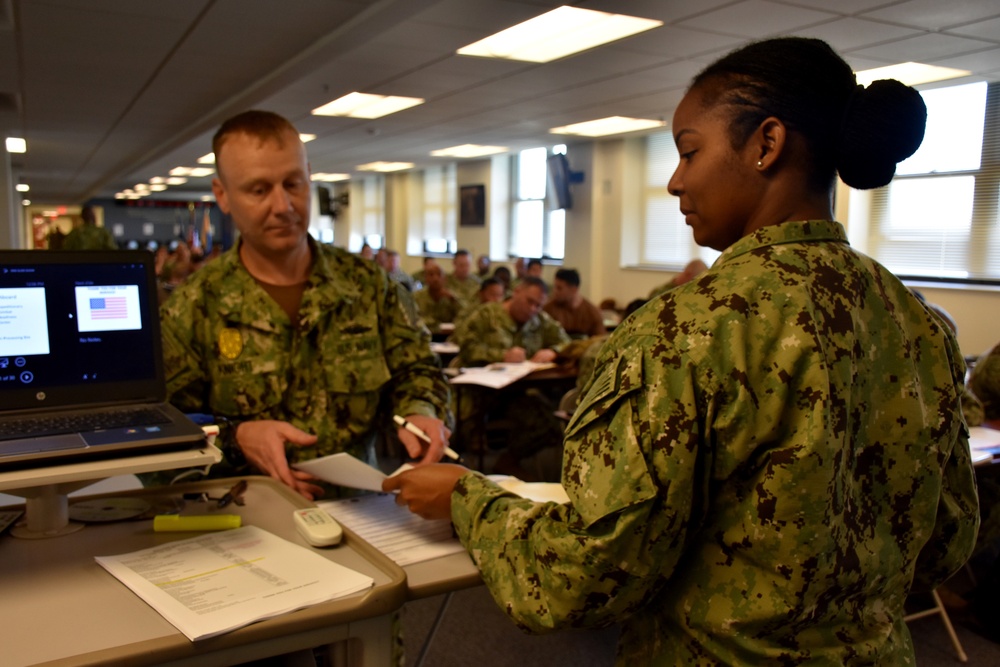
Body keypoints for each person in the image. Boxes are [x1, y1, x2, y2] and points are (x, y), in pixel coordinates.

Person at [384, 37, 979, 664]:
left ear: (766, 145)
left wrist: (466, 500)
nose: (674, 181)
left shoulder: (689, 326)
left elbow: (586, 577)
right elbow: (946, 539)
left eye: (689, 152)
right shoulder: (915, 322)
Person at [158, 110, 451, 500]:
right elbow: (163, 427)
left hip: (363, 510)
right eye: (259, 190)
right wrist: (237, 436)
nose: (283, 205)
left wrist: (420, 411)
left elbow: (417, 369)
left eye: (293, 183)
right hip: (243, 516)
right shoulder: (193, 307)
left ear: (309, 176)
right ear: (223, 195)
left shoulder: (367, 286)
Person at [543, 268, 606, 338]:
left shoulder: (592, 313)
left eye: (559, 288)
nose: (555, 291)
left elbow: (599, 341)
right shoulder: (547, 310)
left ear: (574, 289)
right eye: (555, 287)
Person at [412, 261, 464, 332]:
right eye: (431, 275)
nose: (435, 279)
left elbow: (464, 315)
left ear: (445, 279)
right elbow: (414, 319)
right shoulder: (417, 297)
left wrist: (453, 300)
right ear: (425, 278)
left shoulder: (452, 296)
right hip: (423, 334)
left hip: (447, 336)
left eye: (439, 275)